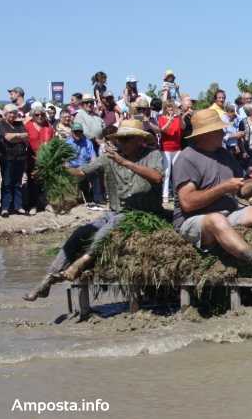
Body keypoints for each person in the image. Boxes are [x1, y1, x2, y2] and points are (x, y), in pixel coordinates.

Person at [23, 120, 165, 301]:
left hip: (142, 212)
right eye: (120, 139)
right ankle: (48, 279)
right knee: (80, 233)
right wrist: (56, 169)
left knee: (106, 230)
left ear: (139, 140)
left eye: (126, 139)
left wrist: (125, 162)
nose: (121, 143)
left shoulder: (152, 155)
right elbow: (82, 172)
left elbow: (157, 177)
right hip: (115, 211)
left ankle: (82, 262)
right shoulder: (110, 157)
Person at [172, 109, 252, 280]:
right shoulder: (186, 158)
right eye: (218, 130)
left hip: (227, 214)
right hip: (194, 220)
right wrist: (223, 188)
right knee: (216, 219)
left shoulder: (224, 154)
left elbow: (241, 190)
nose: (223, 133)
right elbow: (187, 202)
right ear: (205, 134)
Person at [24, 104, 55, 213]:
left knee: (46, 182)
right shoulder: (27, 126)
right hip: (32, 159)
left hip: (46, 160)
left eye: (42, 114)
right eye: (37, 114)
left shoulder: (48, 126)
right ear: (33, 115)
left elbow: (53, 142)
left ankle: (46, 203)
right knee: (33, 182)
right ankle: (33, 205)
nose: (40, 116)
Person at [0, 105, 30, 217]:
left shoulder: (19, 124)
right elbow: (7, 138)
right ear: (5, 113)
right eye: (10, 113)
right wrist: (19, 136)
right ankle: (5, 208)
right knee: (7, 182)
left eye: (14, 113)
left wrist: (16, 136)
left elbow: (27, 136)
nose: (12, 115)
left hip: (20, 157)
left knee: (18, 183)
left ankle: (18, 206)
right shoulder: (1, 124)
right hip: (7, 157)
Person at [158, 100, 184, 203]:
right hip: (166, 148)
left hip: (177, 148)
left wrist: (180, 117)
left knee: (177, 172)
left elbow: (183, 127)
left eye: (172, 107)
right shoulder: (161, 118)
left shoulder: (178, 119)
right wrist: (170, 120)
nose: (170, 109)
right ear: (165, 109)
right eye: (168, 107)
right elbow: (162, 129)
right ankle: (165, 195)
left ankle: (176, 193)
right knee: (167, 172)